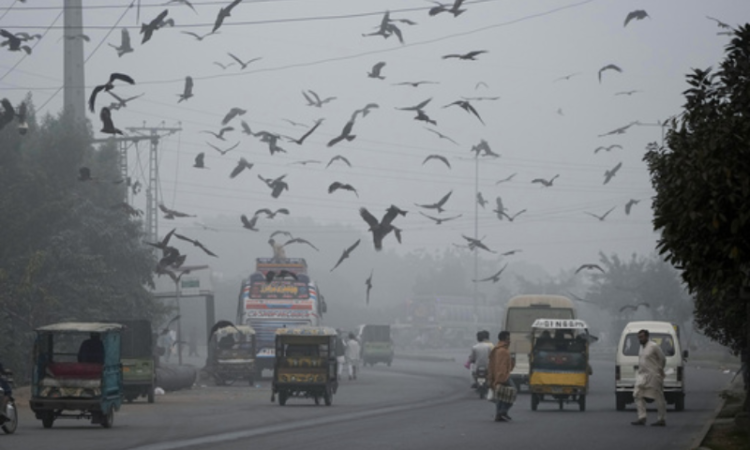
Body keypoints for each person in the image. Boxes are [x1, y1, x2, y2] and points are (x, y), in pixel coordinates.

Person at [632, 329, 667, 426]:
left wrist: (660, 369)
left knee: (658, 396)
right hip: (643, 375)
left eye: (642, 337)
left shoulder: (653, 346)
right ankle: (642, 417)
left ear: (647, 336)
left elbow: (662, 358)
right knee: (637, 394)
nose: (640, 339)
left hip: (654, 375)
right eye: (639, 337)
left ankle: (661, 419)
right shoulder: (641, 348)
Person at [488, 331, 515, 422]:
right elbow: (501, 366)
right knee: (512, 392)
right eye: (508, 339)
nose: (509, 341)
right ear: (504, 339)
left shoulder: (498, 349)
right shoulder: (502, 351)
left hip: (498, 376)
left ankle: (499, 414)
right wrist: (501, 378)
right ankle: (502, 411)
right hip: (502, 376)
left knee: (501, 395)